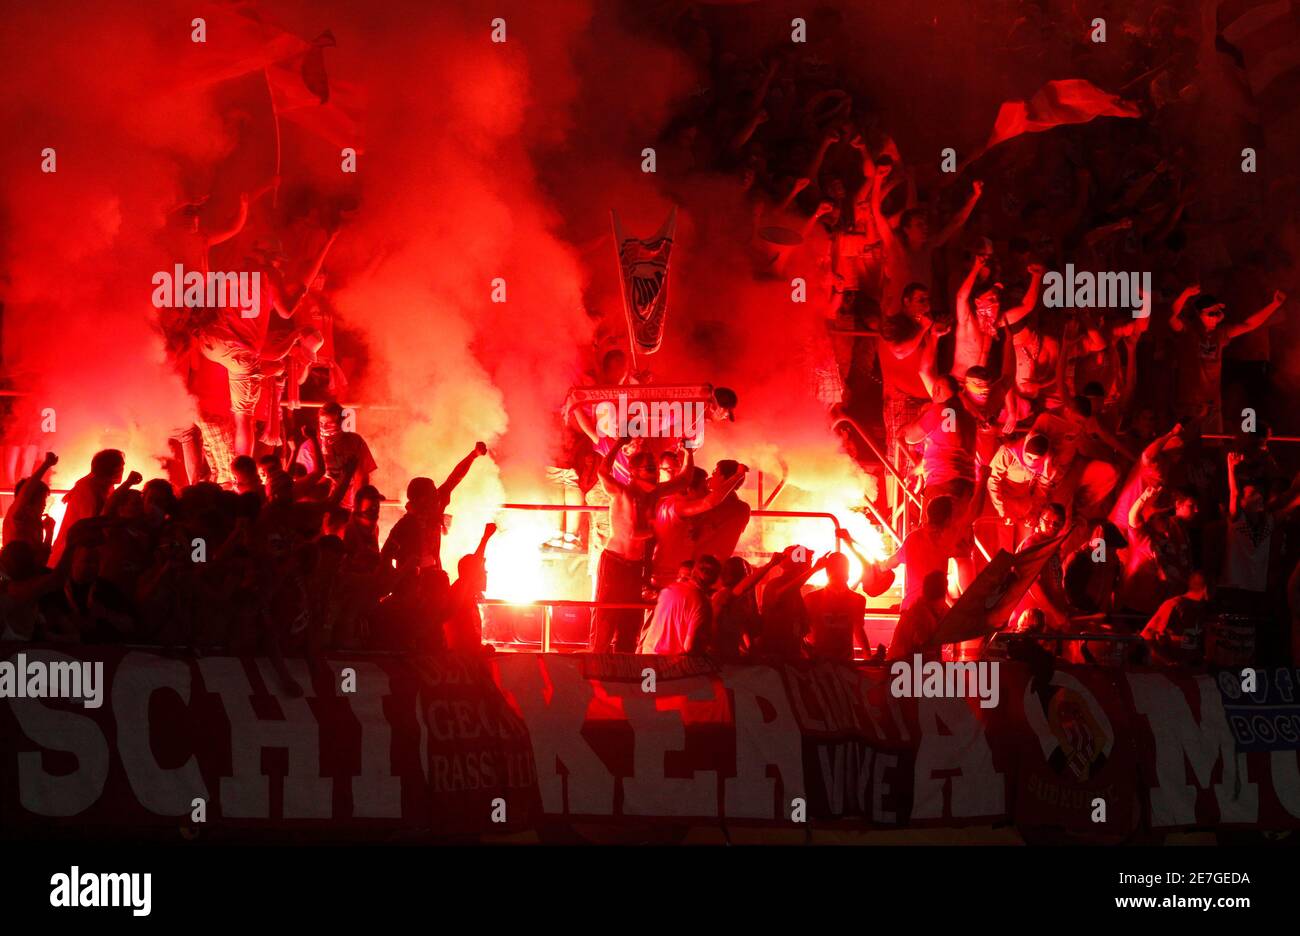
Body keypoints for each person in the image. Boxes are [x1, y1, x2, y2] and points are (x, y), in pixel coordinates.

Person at [591, 437, 691, 652]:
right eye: (649, 469)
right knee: (606, 617)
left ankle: (625, 665)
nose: (654, 474)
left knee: (631, 619)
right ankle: (596, 662)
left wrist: (688, 453)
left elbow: (684, 480)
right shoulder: (623, 493)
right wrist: (618, 445)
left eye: (654, 469)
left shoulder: (653, 493)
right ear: (634, 471)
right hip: (615, 562)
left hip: (635, 566)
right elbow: (603, 473)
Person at [1170, 287, 1286, 434]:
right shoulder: (1188, 331)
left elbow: (1249, 325)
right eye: (1211, 313)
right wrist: (1185, 294)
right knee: (1184, 448)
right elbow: (1172, 317)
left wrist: (1274, 305)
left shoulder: (1220, 333)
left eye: (1218, 313)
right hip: (1189, 404)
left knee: (1213, 447)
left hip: (1213, 404)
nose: (1215, 317)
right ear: (1199, 315)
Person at [381, 442, 489, 574]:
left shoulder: (434, 509)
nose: (437, 497)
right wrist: (399, 578)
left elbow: (454, 478)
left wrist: (473, 455)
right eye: (432, 494)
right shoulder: (404, 525)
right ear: (422, 500)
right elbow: (385, 555)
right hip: (413, 585)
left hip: (435, 577)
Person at [49, 450, 138, 567]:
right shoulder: (87, 488)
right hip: (71, 560)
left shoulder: (107, 487)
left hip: (87, 559)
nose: (122, 470)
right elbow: (93, 523)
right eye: (121, 467)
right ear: (111, 469)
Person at [296, 402, 378, 510]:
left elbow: (362, 477)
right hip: (320, 507)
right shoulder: (308, 447)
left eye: (329, 424)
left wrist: (357, 507)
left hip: (348, 506)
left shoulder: (354, 442)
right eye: (321, 424)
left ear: (341, 423)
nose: (324, 428)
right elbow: (304, 482)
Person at [638, 553, 721, 654]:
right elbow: (690, 647)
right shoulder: (702, 603)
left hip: (648, 654)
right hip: (669, 663)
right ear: (715, 579)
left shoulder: (668, 590)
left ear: (693, 572)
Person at [803, 551, 868, 661]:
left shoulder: (812, 598)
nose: (839, 573)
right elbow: (859, 629)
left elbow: (858, 629)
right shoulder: (858, 599)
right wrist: (868, 655)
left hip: (828, 661)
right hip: (824, 661)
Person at [443, 523, 497, 653]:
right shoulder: (460, 593)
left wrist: (481, 649)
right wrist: (485, 539)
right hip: (459, 660)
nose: (486, 573)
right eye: (483, 570)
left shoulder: (468, 597)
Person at [1141, 570, 1210, 666]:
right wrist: (1168, 661)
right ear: (1206, 588)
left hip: (1188, 669)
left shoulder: (1200, 609)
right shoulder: (1174, 605)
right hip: (1169, 672)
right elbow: (1148, 635)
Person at [4, 451, 58, 562]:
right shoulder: (17, 515)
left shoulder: (35, 523)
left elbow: (42, 560)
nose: (44, 504)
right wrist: (46, 465)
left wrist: (49, 533)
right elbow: (26, 492)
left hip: (32, 574)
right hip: (16, 576)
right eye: (42, 500)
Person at [887, 570, 948, 662]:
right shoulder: (921, 615)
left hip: (902, 665)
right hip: (903, 667)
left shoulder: (927, 610)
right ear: (944, 590)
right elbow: (924, 649)